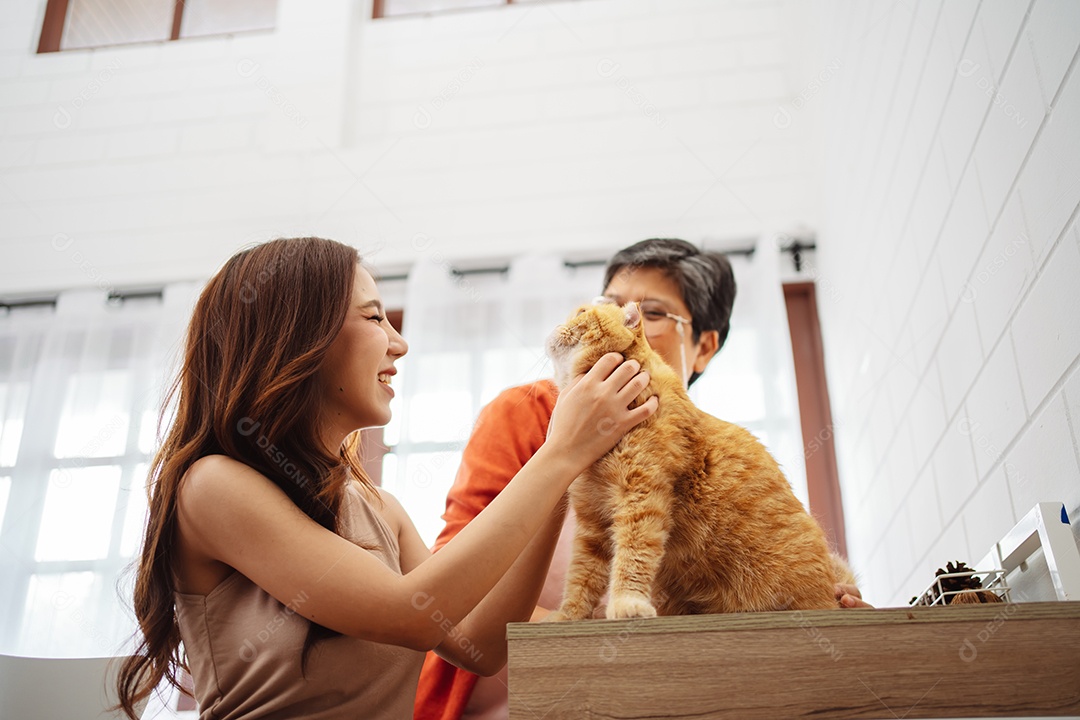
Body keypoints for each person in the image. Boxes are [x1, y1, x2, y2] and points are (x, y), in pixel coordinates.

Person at [114, 237, 657, 720]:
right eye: (375, 319)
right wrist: (558, 453)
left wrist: (571, 475)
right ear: (299, 337)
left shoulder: (380, 509)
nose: (399, 344)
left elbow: (479, 647)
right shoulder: (213, 487)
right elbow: (409, 617)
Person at [413, 238, 868, 720]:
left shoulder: (711, 452)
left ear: (704, 346)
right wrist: (600, 636)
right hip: (516, 695)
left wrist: (808, 608)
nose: (622, 321)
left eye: (651, 312)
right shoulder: (528, 412)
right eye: (609, 304)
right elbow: (453, 604)